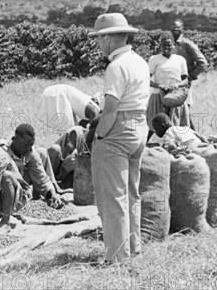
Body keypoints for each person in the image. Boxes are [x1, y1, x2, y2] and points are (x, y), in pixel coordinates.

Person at [88, 13, 150, 262]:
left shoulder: (116, 67)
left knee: (112, 196)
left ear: (110, 38)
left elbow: (111, 109)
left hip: (118, 131)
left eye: (99, 39)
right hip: (139, 127)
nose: (97, 44)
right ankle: (133, 246)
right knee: (131, 193)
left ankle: (116, 256)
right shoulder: (139, 62)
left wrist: (99, 136)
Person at [0, 124, 65, 208]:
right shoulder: (3, 153)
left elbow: (41, 178)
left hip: (24, 185)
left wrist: (52, 195)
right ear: (16, 139)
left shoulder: (30, 152)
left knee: (42, 152)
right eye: (26, 145)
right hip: (6, 189)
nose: (29, 148)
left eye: (31, 144)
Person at [147, 32, 190, 141]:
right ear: (160, 46)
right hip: (158, 97)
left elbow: (186, 80)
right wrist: (159, 85)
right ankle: (144, 146)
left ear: (173, 45)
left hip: (175, 97)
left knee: (176, 126)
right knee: (154, 125)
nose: (167, 47)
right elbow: (146, 79)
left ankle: (176, 148)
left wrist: (177, 85)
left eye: (169, 45)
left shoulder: (180, 60)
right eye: (164, 45)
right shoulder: (154, 59)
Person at [170, 19, 208, 129]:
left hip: (183, 84)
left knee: (184, 112)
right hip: (170, 83)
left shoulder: (188, 44)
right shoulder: (170, 44)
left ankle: (197, 140)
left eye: (177, 27)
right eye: (173, 27)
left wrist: (190, 77)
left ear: (182, 29)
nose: (174, 29)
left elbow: (203, 63)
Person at [36, 84, 101, 134]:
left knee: (74, 131)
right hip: (58, 93)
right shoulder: (94, 111)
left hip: (53, 92)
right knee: (71, 131)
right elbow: (93, 134)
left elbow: (83, 127)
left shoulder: (87, 105)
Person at [46, 125, 89, 190]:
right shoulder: (77, 132)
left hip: (66, 170)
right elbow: (68, 149)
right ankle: (52, 181)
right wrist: (62, 172)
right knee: (75, 157)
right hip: (56, 164)